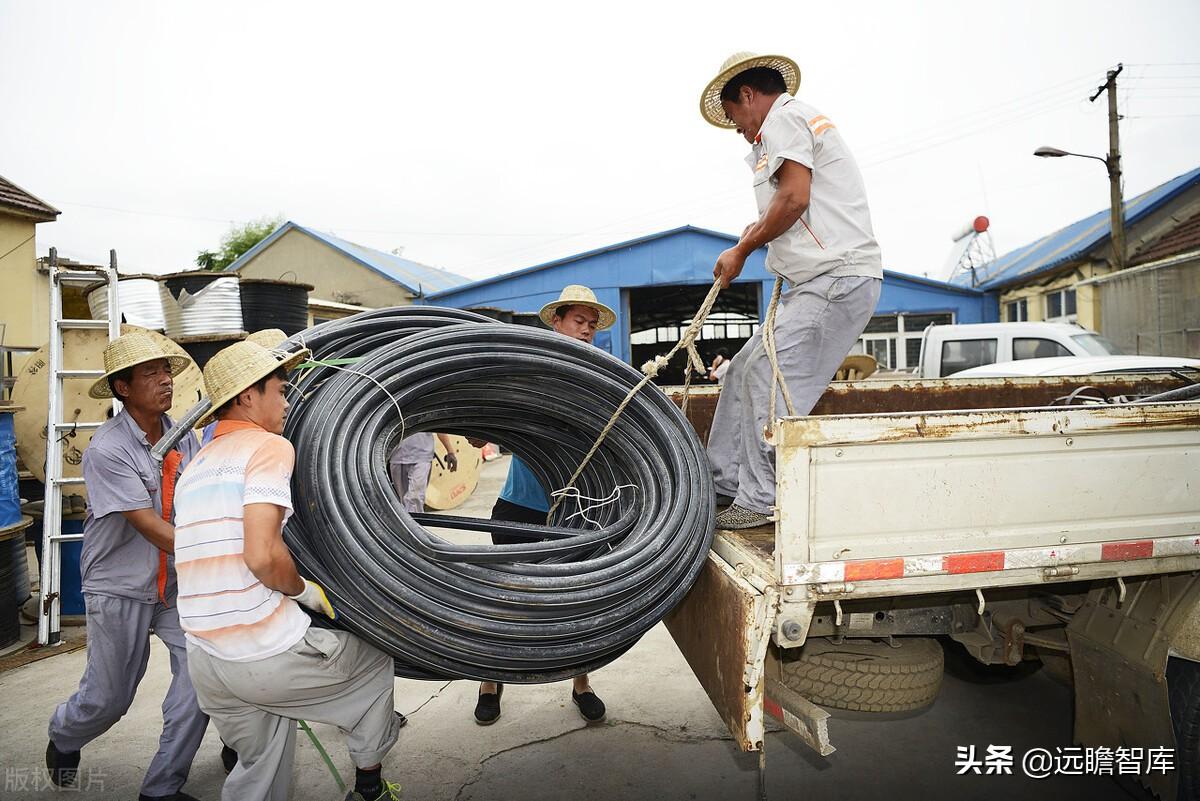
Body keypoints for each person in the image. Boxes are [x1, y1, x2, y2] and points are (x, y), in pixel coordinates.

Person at [173, 341, 403, 801]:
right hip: (261, 655)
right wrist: (304, 592)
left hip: (204, 661)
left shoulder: (194, 465)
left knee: (262, 763)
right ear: (246, 397)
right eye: (279, 390)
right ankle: (369, 782)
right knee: (376, 660)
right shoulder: (268, 447)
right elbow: (261, 555)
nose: (286, 402)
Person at [699, 52, 883, 530]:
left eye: (734, 116)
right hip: (818, 283)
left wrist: (742, 249)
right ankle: (720, 484)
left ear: (746, 95)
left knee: (765, 373)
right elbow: (792, 202)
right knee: (740, 370)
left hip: (836, 279)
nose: (737, 128)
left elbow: (795, 197)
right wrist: (756, 231)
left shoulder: (784, 118)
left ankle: (760, 499)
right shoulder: (788, 128)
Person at [46, 332, 209, 801]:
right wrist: (216, 551)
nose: (165, 380)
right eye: (151, 374)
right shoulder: (108, 450)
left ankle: (161, 787)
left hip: (174, 585)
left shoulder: (186, 438)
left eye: (167, 371)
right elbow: (149, 526)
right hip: (119, 588)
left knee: (202, 677)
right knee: (109, 698)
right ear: (122, 388)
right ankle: (65, 733)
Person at [474, 285, 613, 727]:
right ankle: (490, 681)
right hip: (520, 507)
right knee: (507, 597)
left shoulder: (600, 379)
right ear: (556, 321)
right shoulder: (528, 373)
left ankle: (580, 683)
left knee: (573, 599)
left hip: (575, 511)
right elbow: (480, 437)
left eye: (592, 325)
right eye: (579, 321)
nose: (587, 331)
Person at [388, 432, 458, 513]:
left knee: (415, 497)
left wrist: (450, 451)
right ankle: (406, 523)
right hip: (397, 456)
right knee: (402, 499)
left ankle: (414, 523)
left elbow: (440, 430)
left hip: (422, 456)